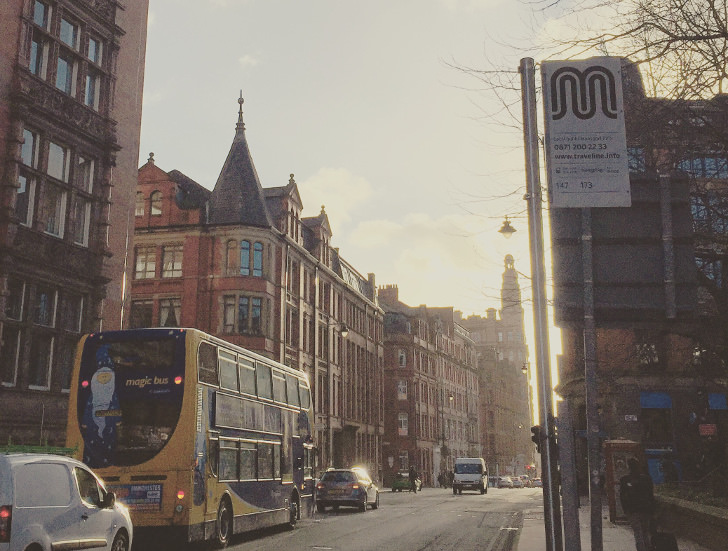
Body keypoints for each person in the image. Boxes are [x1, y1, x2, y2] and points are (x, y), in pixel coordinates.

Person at [619, 458, 656, 551]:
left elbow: (622, 496)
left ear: (628, 467)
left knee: (638, 533)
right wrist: (653, 510)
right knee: (645, 532)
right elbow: (651, 495)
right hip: (645, 509)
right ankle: (648, 548)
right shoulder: (647, 479)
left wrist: (626, 510)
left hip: (632, 510)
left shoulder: (624, 480)